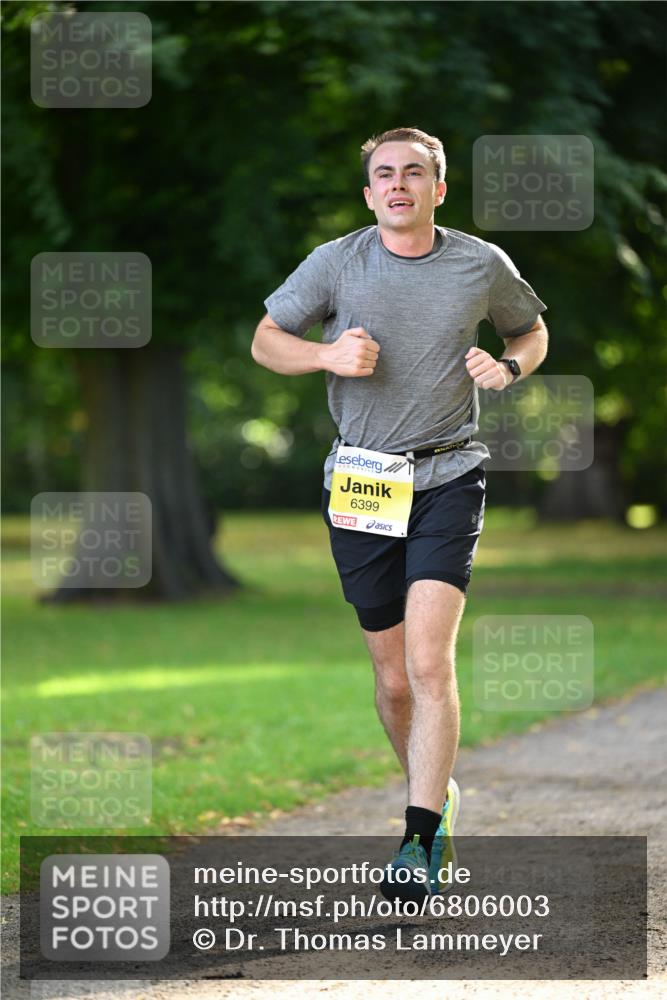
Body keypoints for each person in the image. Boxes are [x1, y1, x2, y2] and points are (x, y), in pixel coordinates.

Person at [251, 126, 548, 900]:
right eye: (383, 174)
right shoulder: (336, 261)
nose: (397, 184)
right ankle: (437, 797)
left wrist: (508, 366)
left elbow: (529, 330)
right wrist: (324, 355)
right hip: (362, 483)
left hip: (448, 474)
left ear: (437, 189)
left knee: (426, 662)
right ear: (368, 193)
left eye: (413, 173)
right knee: (391, 683)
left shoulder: (479, 264)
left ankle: (417, 840)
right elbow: (266, 340)